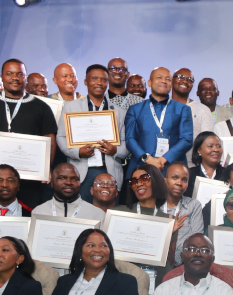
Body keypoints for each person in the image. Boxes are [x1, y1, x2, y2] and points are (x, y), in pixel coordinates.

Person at [0, 59, 57, 208]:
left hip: (31, 177)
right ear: (2, 77)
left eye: (20, 74)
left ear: (25, 78)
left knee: (28, 214)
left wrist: (46, 166)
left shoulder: (41, 107)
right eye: (9, 74)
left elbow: (50, 139)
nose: (15, 77)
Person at [56, 64, 129, 201]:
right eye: (94, 78)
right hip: (81, 171)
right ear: (85, 81)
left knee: (108, 212)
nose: (99, 83)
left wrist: (116, 150)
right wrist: (78, 152)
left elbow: (126, 143)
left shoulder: (119, 112)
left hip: (110, 171)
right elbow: (61, 137)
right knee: (79, 211)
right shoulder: (71, 107)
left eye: (104, 80)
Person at [123, 67, 193, 179]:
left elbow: (187, 140)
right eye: (159, 77)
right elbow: (130, 139)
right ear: (149, 83)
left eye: (168, 79)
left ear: (171, 84)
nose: (164, 81)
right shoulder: (135, 109)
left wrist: (163, 159)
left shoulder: (183, 109)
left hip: (172, 169)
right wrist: (148, 159)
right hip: (140, 167)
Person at [162, 162, 206, 266]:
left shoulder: (193, 205)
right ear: (165, 180)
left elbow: (197, 240)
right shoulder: (156, 205)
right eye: (175, 178)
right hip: (157, 262)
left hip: (184, 264)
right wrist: (170, 231)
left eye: (184, 180)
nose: (179, 183)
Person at [34, 163, 106, 222]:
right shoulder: (39, 212)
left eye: (74, 179)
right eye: (62, 178)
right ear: (52, 183)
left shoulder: (97, 215)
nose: (68, 182)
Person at [169, 68, 214, 146]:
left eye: (190, 80)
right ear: (171, 81)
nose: (185, 81)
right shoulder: (161, 106)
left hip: (192, 154)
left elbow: (208, 143)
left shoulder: (203, 110)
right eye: (181, 77)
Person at [183, 132, 224, 197]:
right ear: (199, 150)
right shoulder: (189, 174)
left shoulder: (228, 173)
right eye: (210, 146)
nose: (216, 149)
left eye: (219, 146)